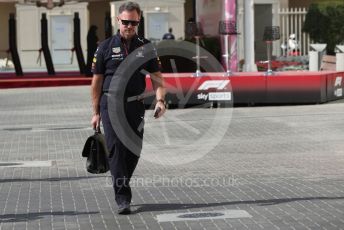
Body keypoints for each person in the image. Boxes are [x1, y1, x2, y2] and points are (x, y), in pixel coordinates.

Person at [90, 1, 166, 215]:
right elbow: (96, 82)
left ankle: (122, 181)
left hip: (136, 104)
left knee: (134, 149)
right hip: (110, 103)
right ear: (118, 21)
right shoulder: (104, 47)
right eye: (125, 22)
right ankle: (123, 198)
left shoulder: (146, 46)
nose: (129, 26)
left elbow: (158, 78)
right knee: (116, 149)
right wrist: (95, 112)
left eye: (133, 22)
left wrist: (160, 100)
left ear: (138, 21)